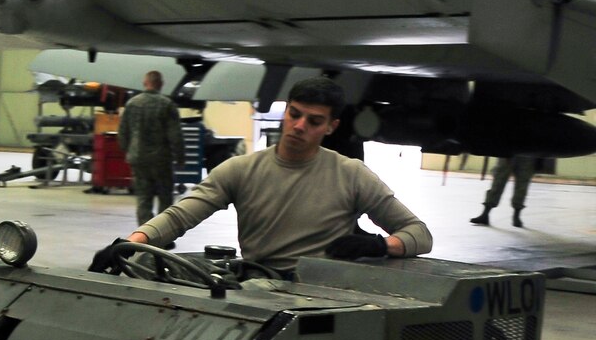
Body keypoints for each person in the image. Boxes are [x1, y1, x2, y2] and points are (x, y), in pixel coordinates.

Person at [121, 76, 431, 270]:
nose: (299, 126)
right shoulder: (241, 170)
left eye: (313, 121)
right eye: (294, 114)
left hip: (328, 294)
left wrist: (381, 245)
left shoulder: (351, 174)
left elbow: (419, 234)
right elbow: (178, 217)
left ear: (331, 127)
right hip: (260, 286)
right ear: (285, 112)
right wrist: (130, 244)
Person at [116, 69, 183, 225]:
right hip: (161, 160)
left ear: (145, 83)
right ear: (161, 84)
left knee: (143, 199)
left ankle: (145, 237)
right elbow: (175, 135)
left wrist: (128, 151)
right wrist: (180, 156)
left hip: (138, 159)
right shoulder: (167, 104)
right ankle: (162, 235)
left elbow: (123, 133)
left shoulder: (132, 104)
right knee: (165, 198)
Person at [471, 155, 537, 228]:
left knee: (522, 185)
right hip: (508, 151)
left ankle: (516, 216)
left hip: (527, 153)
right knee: (498, 181)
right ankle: (485, 214)